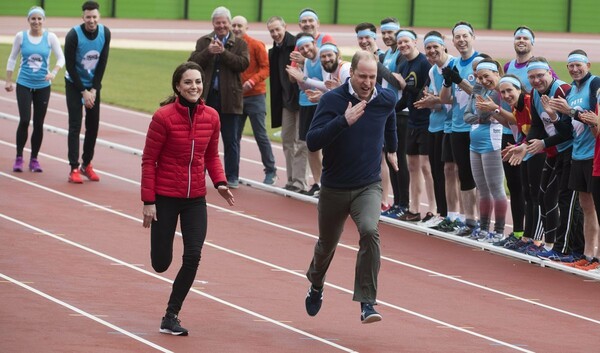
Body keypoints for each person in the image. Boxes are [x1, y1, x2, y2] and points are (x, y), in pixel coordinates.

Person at [141, 62, 235, 336]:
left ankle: (171, 314)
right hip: (165, 197)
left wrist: (220, 182)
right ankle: (160, 253)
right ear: (177, 86)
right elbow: (149, 160)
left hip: (195, 199)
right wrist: (148, 201)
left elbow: (210, 156)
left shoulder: (212, 117)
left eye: (198, 82)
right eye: (189, 82)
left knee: (193, 255)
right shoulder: (163, 117)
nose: (194, 87)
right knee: (161, 263)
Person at [304, 51, 398, 324]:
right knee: (326, 245)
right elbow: (312, 141)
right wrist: (343, 121)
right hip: (334, 186)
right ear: (351, 73)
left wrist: (391, 148)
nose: (368, 82)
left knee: (370, 231)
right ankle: (316, 284)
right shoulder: (333, 100)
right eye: (362, 76)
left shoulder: (385, 98)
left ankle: (367, 301)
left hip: (368, 185)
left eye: (372, 77)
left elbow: (390, 117)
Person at [547, 50, 600, 270]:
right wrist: (554, 115)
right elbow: (568, 131)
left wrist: (572, 112)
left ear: (587, 64)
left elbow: (593, 121)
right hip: (578, 155)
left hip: (593, 155)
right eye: (570, 66)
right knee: (586, 207)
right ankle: (588, 256)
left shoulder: (595, 84)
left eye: (578, 65)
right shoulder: (571, 92)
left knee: (597, 207)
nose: (574, 69)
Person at [188, 6, 249, 189]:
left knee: (231, 140)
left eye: (224, 22)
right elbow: (192, 63)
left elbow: (242, 64)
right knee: (203, 140)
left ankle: (231, 176)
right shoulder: (203, 41)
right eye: (218, 23)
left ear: (229, 24)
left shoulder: (239, 44)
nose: (221, 26)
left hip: (229, 99)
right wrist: (209, 51)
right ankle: (199, 175)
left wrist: (223, 52)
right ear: (213, 24)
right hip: (207, 98)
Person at [5, 6, 64, 173]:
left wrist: (53, 73)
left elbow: (61, 57)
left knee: (39, 123)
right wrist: (9, 80)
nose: (36, 22)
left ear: (43, 20)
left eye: (39, 19)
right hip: (24, 83)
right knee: (24, 120)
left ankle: (34, 159)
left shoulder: (50, 37)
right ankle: (18, 157)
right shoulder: (21, 37)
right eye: (33, 19)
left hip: (43, 86)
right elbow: (12, 58)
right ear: (28, 20)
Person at [64, 0, 111, 183]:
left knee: (93, 126)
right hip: (74, 84)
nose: (91, 20)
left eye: (94, 17)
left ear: (99, 17)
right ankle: (73, 167)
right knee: (75, 125)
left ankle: (86, 164)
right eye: (88, 17)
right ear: (82, 17)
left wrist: (93, 89)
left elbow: (103, 62)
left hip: (92, 86)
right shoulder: (73, 35)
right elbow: (70, 66)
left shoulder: (105, 33)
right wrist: (83, 91)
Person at [440, 21, 479, 236]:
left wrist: (459, 80)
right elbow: (444, 99)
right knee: (463, 174)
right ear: (453, 41)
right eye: (458, 37)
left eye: (465, 36)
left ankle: (483, 222)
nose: (462, 40)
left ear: (473, 37)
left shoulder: (480, 62)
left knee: (478, 177)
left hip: (476, 127)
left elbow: (482, 93)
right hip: (457, 127)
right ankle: (469, 221)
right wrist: (447, 82)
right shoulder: (454, 63)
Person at [462, 58, 508, 242]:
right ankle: (483, 228)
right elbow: (467, 116)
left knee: (496, 187)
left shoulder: (499, 92)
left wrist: (483, 114)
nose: (482, 81)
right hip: (475, 142)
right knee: (482, 188)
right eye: (479, 77)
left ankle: (498, 230)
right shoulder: (478, 90)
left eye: (486, 76)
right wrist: (481, 118)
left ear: (496, 73)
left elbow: (483, 113)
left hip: (492, 142)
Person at [414, 31, 456, 228]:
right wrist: (429, 102)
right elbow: (439, 102)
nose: (431, 51)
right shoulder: (432, 71)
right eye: (428, 48)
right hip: (435, 124)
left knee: (450, 172)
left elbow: (456, 99)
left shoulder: (454, 66)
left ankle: (452, 215)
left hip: (450, 126)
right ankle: (441, 213)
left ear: (443, 46)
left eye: (435, 47)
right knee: (437, 171)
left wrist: (435, 100)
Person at [394, 29, 436, 223]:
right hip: (412, 120)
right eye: (399, 43)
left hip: (427, 121)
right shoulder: (402, 64)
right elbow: (407, 98)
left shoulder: (425, 63)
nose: (403, 45)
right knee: (412, 166)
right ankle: (414, 208)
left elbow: (422, 94)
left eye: (406, 42)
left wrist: (405, 87)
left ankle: (432, 210)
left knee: (427, 167)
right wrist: (389, 109)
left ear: (414, 42)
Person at [231, 15, 277, 185]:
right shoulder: (228, 45)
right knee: (234, 136)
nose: (236, 29)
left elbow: (266, 68)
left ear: (246, 28)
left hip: (256, 95)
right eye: (234, 25)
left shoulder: (256, 45)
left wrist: (252, 81)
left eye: (239, 26)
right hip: (236, 98)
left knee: (260, 134)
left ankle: (271, 170)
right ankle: (232, 172)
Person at [266, 16, 309, 192]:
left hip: (301, 100)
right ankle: (291, 180)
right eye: (272, 31)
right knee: (287, 141)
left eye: (278, 29)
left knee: (301, 141)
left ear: (285, 27)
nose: (275, 34)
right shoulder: (273, 51)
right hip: (285, 102)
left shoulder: (297, 44)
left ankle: (300, 182)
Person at [285, 33, 324, 196]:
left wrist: (304, 78)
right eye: (302, 48)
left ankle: (327, 182)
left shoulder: (323, 57)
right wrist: (300, 78)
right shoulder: (307, 62)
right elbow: (305, 86)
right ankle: (317, 182)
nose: (306, 50)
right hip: (307, 104)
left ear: (314, 43)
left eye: (308, 46)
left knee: (325, 145)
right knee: (310, 145)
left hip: (323, 104)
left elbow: (326, 85)